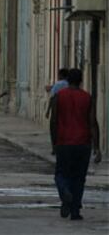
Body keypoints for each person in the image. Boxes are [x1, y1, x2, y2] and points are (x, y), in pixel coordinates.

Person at [51, 68, 101, 221]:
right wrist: (97, 147)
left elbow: (53, 121)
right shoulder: (87, 97)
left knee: (60, 174)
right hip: (83, 143)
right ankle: (75, 211)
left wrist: (54, 143)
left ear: (67, 81)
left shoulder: (59, 96)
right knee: (79, 178)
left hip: (64, 142)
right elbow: (93, 123)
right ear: (81, 80)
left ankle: (65, 191)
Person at [45, 68, 69, 154]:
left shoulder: (58, 84)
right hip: (67, 111)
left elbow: (52, 98)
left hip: (56, 110)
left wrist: (48, 111)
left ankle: (54, 148)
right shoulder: (69, 84)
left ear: (61, 75)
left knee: (54, 129)